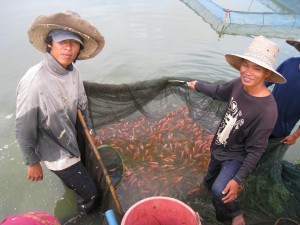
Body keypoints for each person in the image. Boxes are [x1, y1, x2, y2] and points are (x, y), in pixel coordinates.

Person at [187, 35, 286, 225]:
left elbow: (256, 150)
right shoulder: (238, 84)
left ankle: (234, 215)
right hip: (220, 146)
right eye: (245, 65)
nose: (248, 72)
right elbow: (218, 91)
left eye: (257, 68)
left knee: (221, 190)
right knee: (210, 177)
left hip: (237, 155)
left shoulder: (267, 110)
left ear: (266, 74)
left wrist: (238, 179)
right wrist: (197, 85)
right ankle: (206, 189)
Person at [15, 10, 105, 213]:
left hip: (72, 136)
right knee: (92, 194)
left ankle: (73, 184)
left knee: (79, 178)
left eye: (74, 42)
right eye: (61, 41)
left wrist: (90, 130)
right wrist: (32, 162)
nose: (68, 47)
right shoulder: (35, 82)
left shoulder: (73, 71)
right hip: (55, 150)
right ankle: (85, 212)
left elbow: (82, 103)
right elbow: (23, 129)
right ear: (50, 43)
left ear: (80, 47)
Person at [266, 39, 300, 145]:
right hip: (261, 117)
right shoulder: (290, 62)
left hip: (280, 131)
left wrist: (295, 136)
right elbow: (267, 81)